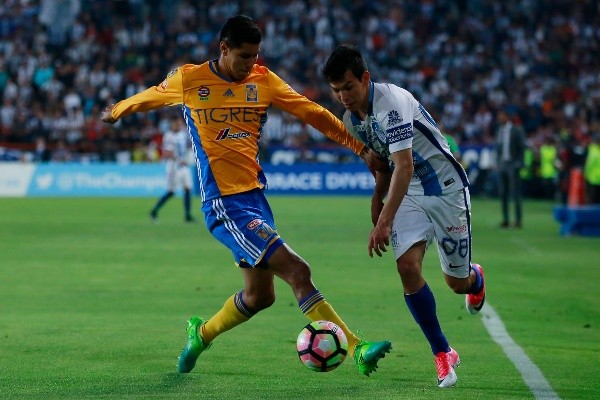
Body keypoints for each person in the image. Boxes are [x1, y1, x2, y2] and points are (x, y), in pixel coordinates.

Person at [101, 15, 391, 377]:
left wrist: (358, 147)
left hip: (255, 199)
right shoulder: (191, 79)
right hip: (224, 204)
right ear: (224, 49)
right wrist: (116, 110)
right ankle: (357, 348)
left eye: (255, 56)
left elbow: (310, 111)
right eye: (244, 56)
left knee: (260, 297)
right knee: (298, 270)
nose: (251, 63)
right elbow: (149, 98)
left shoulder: (262, 80)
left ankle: (200, 334)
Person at [322, 45, 486, 388]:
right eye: (336, 91)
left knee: (456, 284)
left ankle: (475, 279)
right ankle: (442, 352)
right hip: (408, 191)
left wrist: (383, 221)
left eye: (348, 87)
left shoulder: (391, 104)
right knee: (407, 268)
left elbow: (405, 164)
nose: (343, 97)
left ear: (365, 78)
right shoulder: (353, 120)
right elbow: (384, 165)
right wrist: (376, 198)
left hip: (445, 188)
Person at [150, 117, 195, 223]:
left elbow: (186, 148)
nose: (178, 126)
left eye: (179, 124)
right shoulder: (169, 136)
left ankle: (187, 215)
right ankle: (154, 211)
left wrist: (186, 158)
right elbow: (167, 153)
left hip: (183, 167)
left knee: (188, 189)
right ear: (172, 125)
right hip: (173, 167)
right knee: (171, 192)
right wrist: (180, 160)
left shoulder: (182, 134)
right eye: (176, 124)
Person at [495, 109, 526, 228]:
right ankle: (506, 219)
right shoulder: (499, 130)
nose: (499, 118)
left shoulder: (516, 130)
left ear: (507, 117)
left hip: (513, 164)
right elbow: (498, 147)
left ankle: (518, 220)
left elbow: (521, 147)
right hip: (503, 164)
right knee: (503, 193)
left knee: (515, 193)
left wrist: (519, 162)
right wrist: (498, 161)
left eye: (501, 116)